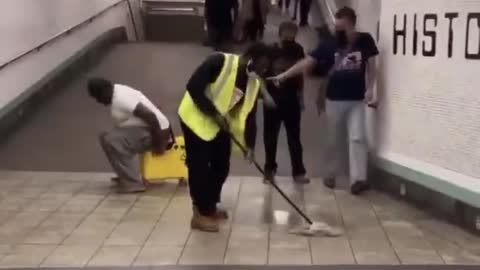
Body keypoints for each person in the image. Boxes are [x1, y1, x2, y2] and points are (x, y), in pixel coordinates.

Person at [269, 7, 379, 195]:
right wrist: (284, 75)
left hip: (356, 99)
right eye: (336, 27)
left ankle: (358, 179)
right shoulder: (329, 43)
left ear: (351, 24)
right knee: (333, 139)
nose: (338, 31)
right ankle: (330, 173)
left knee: (358, 137)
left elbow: (372, 64)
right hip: (334, 99)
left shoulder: (364, 40)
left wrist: (371, 87)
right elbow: (307, 63)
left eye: (341, 27)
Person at [178, 43, 272, 232]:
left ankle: (210, 205)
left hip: (219, 123)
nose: (264, 71)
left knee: (222, 166)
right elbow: (193, 87)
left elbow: (250, 115)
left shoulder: (253, 82)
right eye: (263, 66)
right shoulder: (219, 61)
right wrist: (214, 114)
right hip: (194, 118)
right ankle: (200, 213)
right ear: (251, 57)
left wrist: (250, 146)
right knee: (200, 167)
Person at [87, 78, 172, 194]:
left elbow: (151, 116)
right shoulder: (116, 91)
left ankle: (134, 182)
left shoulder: (121, 99)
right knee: (105, 136)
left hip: (158, 133)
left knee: (112, 141)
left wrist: (159, 145)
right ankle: (126, 175)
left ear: (105, 91)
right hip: (148, 129)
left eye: (98, 97)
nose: (98, 101)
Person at [264, 21, 309, 184]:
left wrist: (301, 96)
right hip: (273, 98)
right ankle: (269, 170)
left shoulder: (298, 50)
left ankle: (298, 171)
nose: (290, 37)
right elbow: (262, 75)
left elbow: (300, 75)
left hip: (291, 98)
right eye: (287, 34)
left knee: (294, 137)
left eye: (293, 34)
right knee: (270, 137)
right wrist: (265, 95)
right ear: (280, 33)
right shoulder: (270, 50)